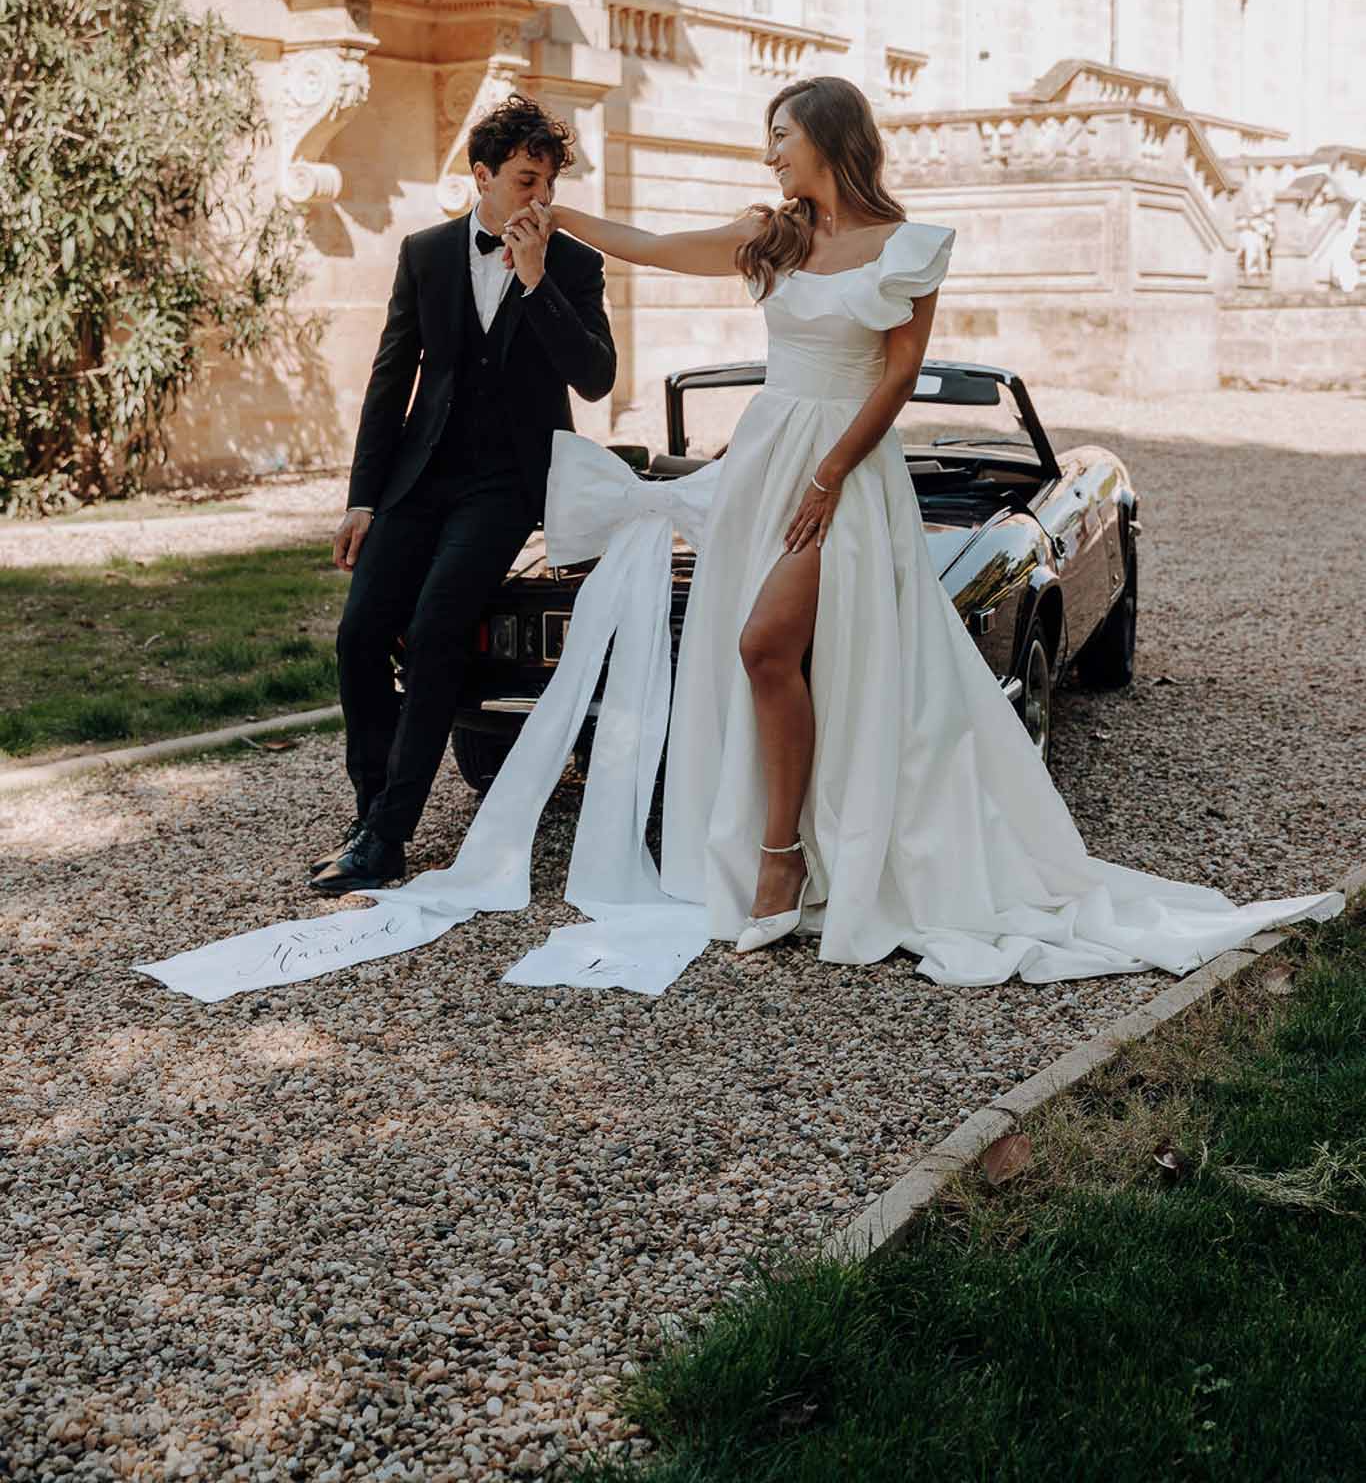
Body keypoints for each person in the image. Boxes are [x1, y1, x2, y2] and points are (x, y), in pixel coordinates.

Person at [489, 75, 1338, 980]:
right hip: (767, 463)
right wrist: (555, 211)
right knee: (774, 656)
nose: (770, 153)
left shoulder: (907, 247)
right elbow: (653, 247)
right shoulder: (767, 234)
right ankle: (788, 850)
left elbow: (895, 382)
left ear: (827, 137)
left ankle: (786, 862)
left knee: (768, 646)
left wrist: (829, 476)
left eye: (782, 135)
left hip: (846, 473)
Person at [310, 94, 616, 897]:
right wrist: (363, 498)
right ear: (480, 176)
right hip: (419, 477)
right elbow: (389, 382)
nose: (538, 200)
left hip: (507, 484)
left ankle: (389, 837)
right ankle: (372, 811)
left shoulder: (576, 265)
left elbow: (595, 377)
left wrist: (539, 280)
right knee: (360, 633)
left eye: (547, 183)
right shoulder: (427, 253)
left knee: (440, 624)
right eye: (524, 180)